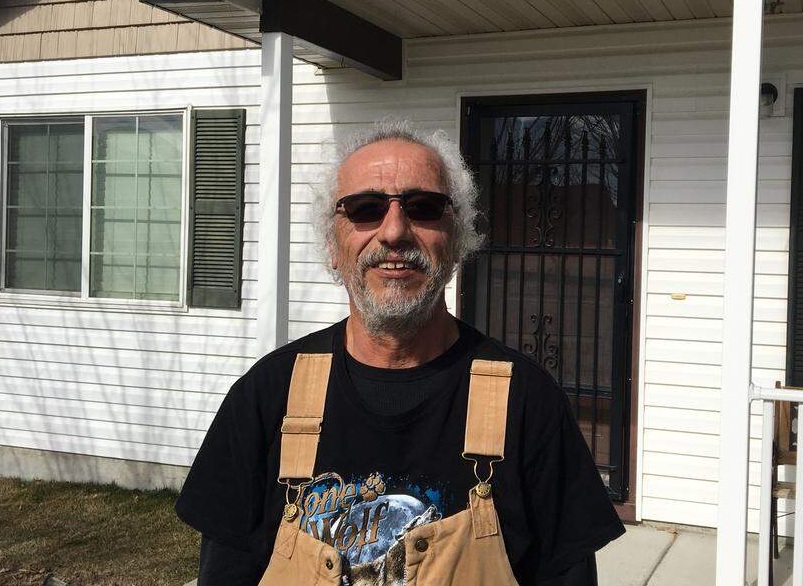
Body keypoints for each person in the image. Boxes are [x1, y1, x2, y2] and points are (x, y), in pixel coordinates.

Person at [174, 120, 625, 585]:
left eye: (423, 207)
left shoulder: (528, 403)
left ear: (459, 239)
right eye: (364, 208)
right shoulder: (266, 397)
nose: (394, 232)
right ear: (333, 243)